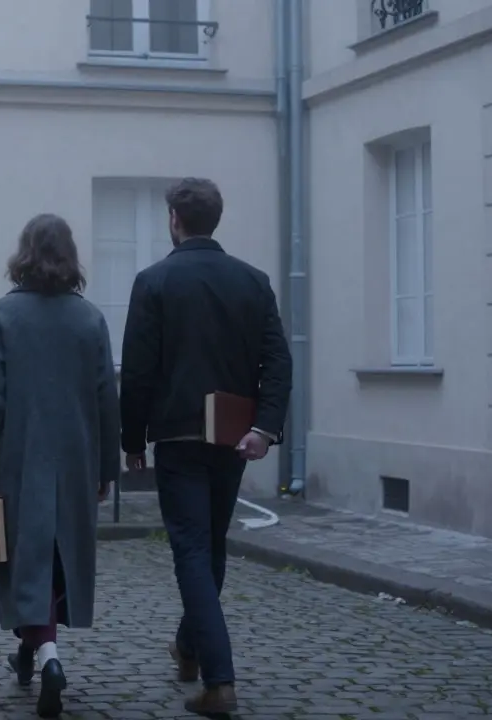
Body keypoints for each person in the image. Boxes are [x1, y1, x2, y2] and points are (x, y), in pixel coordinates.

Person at [118, 178, 292, 716]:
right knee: (210, 546)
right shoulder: (253, 281)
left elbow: (139, 371)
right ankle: (189, 649)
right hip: (234, 438)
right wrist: (263, 428)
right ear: (215, 219)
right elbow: (278, 363)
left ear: (174, 219)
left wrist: (132, 440)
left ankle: (219, 682)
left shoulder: (153, 282)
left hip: (177, 438)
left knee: (194, 550)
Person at [0, 213, 121, 719]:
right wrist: (106, 468)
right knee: (52, 563)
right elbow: (105, 399)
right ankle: (29, 652)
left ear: (24, 254)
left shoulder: (3, 317)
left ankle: (49, 658)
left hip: (18, 460)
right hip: (74, 460)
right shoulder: (90, 319)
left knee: (22, 565)